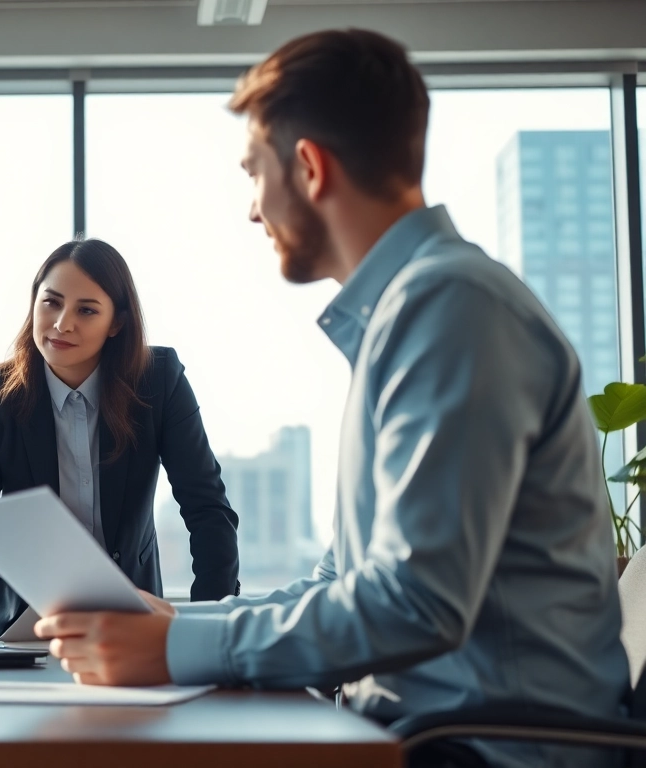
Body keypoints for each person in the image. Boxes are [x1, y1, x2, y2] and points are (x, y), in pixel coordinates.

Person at [33, 29, 630, 768]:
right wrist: (179, 623)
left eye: (255, 173)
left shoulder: (450, 309)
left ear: (310, 167)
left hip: (482, 751)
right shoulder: (411, 314)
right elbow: (339, 581)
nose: (253, 210)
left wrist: (178, 646)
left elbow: (415, 603)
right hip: (426, 736)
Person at [0, 239, 240, 641]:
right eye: (51, 302)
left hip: (131, 621)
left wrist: (208, 625)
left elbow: (206, 508)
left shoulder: (159, 381)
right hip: (17, 626)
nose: (62, 324)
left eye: (86, 310)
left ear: (117, 323)